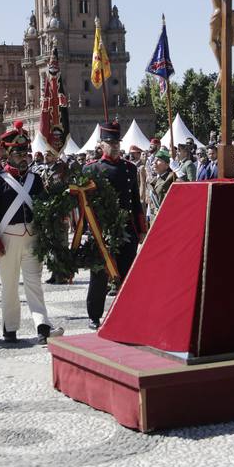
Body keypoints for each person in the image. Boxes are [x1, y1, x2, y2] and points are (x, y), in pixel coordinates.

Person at [0, 120, 64, 345]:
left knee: (34, 284)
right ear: (7, 153)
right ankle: (10, 328)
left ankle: (42, 326)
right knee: (9, 285)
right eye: (17, 152)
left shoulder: (35, 179)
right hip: (7, 239)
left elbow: (43, 205)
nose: (22, 155)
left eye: (24, 151)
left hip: (32, 238)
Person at [83, 121, 146, 330]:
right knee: (100, 275)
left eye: (117, 142)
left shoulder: (129, 168)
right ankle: (94, 315)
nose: (115, 146)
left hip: (127, 229)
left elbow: (135, 201)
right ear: (101, 144)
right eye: (110, 142)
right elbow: (85, 204)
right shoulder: (91, 169)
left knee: (128, 274)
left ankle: (127, 313)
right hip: (102, 230)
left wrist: (141, 228)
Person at [147, 148, 176, 216]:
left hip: (165, 217)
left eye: (158, 160)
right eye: (154, 159)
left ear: (167, 165)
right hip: (153, 218)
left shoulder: (172, 177)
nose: (154, 162)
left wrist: (177, 170)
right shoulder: (154, 179)